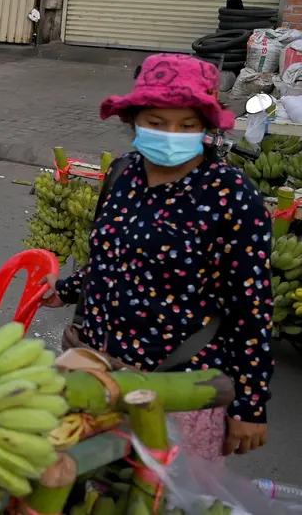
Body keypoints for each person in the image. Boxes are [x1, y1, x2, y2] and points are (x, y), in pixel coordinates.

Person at [42, 54, 273, 460]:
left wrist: (250, 404)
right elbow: (111, 257)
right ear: (133, 120)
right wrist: (67, 289)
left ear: (205, 127)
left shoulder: (230, 195)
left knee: (156, 497)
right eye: (156, 122)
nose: (171, 134)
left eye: (187, 125)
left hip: (173, 384)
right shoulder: (123, 174)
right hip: (97, 371)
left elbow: (251, 307)